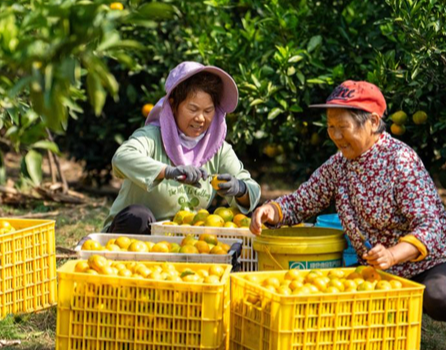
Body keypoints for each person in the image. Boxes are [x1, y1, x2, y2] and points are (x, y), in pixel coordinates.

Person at [250, 80, 446, 322]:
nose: (336, 135)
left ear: (373, 122)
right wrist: (272, 210)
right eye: (331, 127)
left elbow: (431, 227)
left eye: (343, 126)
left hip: (423, 267)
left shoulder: (400, 161)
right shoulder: (339, 164)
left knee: (439, 296)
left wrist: (394, 255)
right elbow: (302, 201)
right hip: (376, 272)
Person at [103, 61, 261, 234]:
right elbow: (121, 158)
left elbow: (252, 191)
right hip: (132, 238)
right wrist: (168, 171)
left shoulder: (218, 149)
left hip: (183, 244)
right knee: (138, 217)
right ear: (173, 105)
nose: (201, 118)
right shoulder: (152, 137)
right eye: (193, 109)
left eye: (208, 111)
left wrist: (240, 188)